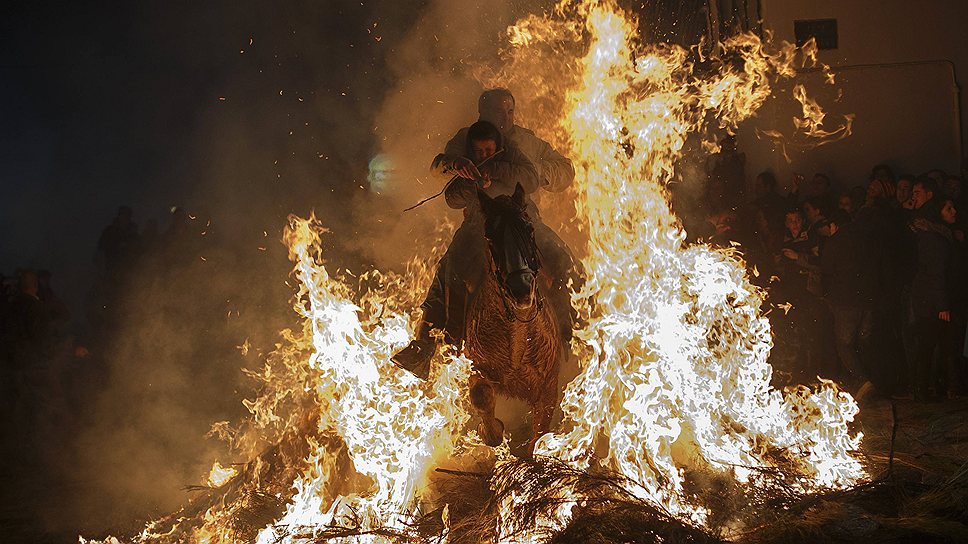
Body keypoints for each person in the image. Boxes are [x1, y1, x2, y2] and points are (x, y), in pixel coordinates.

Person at [394, 121, 578, 375]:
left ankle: (577, 328)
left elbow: (536, 177)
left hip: (522, 220)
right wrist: (464, 173)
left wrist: (498, 168)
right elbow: (447, 188)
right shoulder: (463, 140)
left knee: (563, 260)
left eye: (507, 110)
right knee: (448, 269)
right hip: (479, 223)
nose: (502, 115)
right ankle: (426, 344)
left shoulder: (518, 145)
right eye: (497, 109)